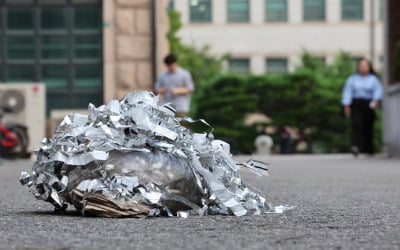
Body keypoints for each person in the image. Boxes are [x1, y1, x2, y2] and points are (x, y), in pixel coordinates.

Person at [341, 58, 383, 156]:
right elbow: (347, 92)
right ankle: (356, 146)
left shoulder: (374, 79)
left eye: (365, 65)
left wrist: (376, 100)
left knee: (368, 126)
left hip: (369, 103)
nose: (363, 67)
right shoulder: (352, 79)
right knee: (357, 124)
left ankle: (368, 148)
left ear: (369, 67)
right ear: (358, 67)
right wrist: (346, 105)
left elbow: (378, 91)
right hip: (356, 103)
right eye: (361, 65)